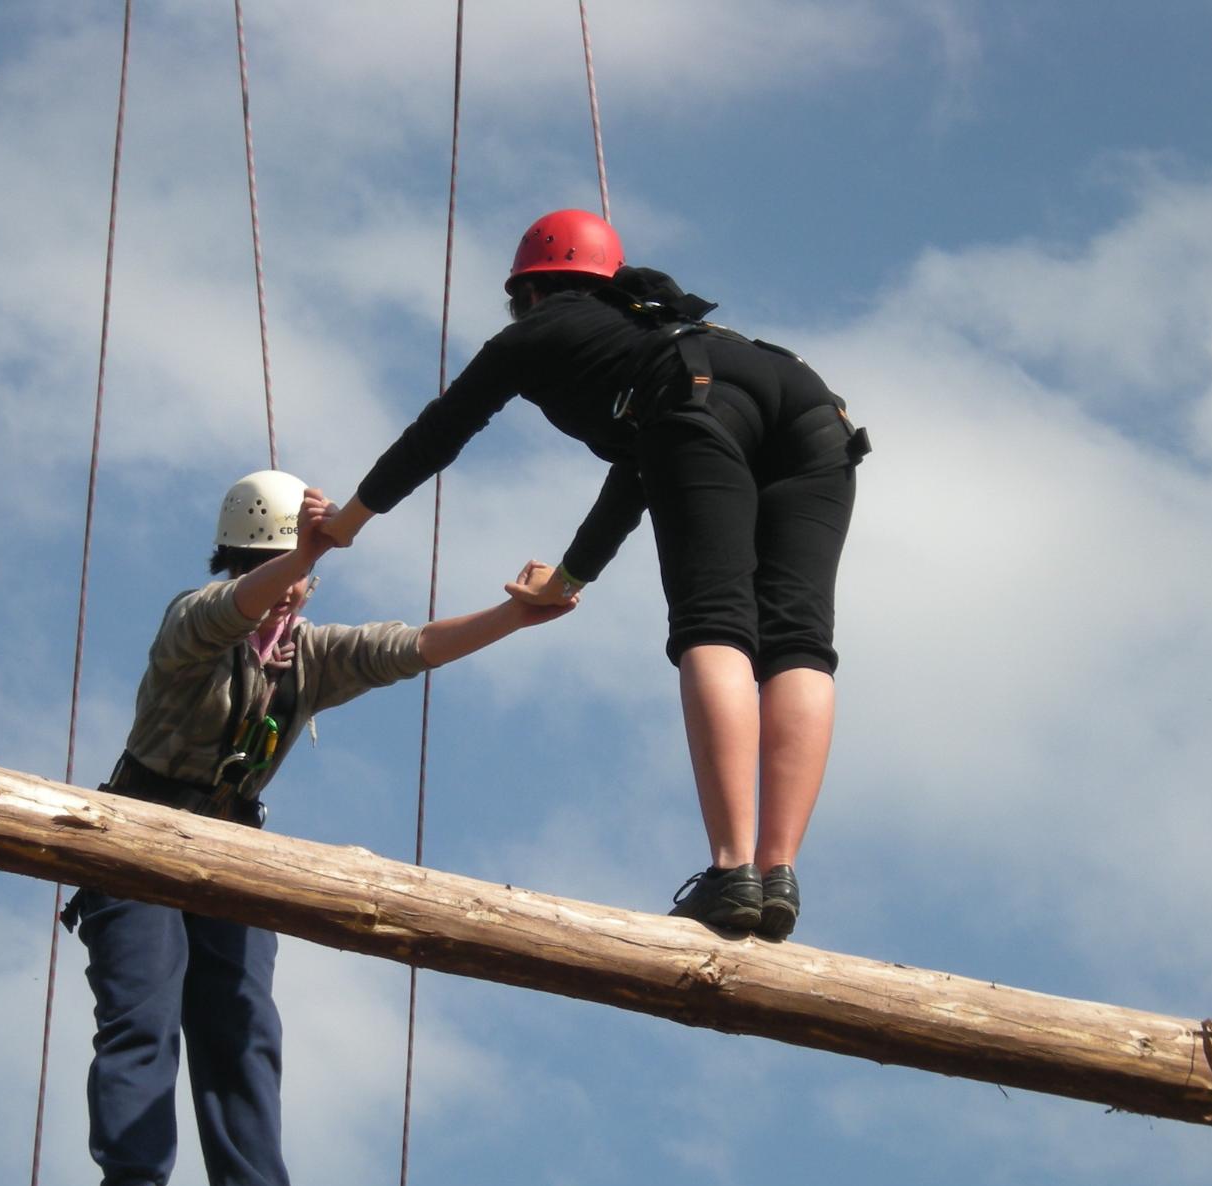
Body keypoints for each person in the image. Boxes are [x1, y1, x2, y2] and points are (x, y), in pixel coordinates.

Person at [64, 469, 573, 1186]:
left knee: (243, 1030)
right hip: (139, 829)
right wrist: (301, 552)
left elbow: (410, 648)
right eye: (282, 567)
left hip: (232, 849)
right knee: (142, 1011)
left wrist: (518, 614)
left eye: (304, 573)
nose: (294, 587)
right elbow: (237, 606)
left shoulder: (309, 656)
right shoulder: (196, 622)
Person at [320, 209, 867, 941]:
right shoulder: (652, 331)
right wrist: (568, 580)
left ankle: (735, 870)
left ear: (532, 292)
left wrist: (348, 522)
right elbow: (643, 470)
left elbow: (440, 432)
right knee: (798, 642)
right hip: (812, 408)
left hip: (698, 401)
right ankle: (779, 873)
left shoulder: (539, 335)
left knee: (716, 622)